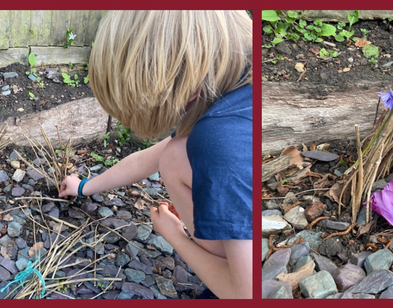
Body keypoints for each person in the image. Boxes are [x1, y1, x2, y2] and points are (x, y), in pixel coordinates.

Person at [58, 11, 253, 299]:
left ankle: (220, 278)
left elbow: (246, 295)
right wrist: (85, 186)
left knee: (176, 155)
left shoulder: (218, 142)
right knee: (175, 152)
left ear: (185, 91)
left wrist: (173, 235)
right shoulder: (231, 78)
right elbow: (146, 159)